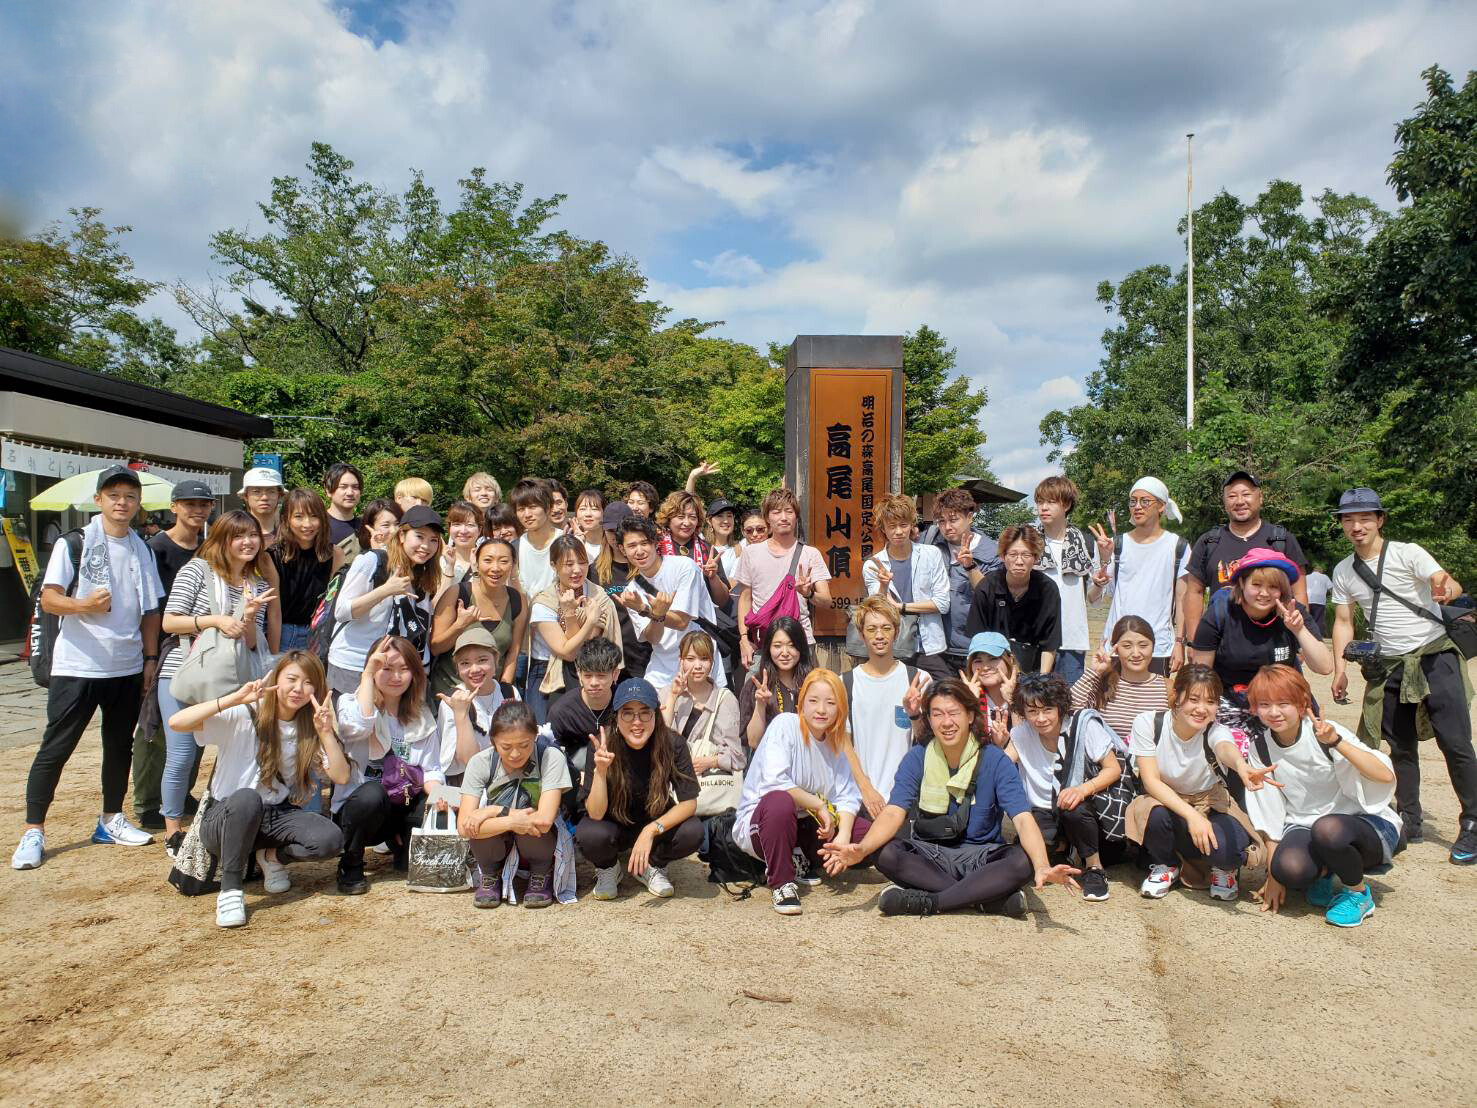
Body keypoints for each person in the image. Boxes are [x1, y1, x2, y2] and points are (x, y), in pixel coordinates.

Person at [820, 678, 1080, 917]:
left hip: (982, 856)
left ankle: (932, 902)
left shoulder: (995, 759)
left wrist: (1042, 866)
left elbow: (1023, 819)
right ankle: (988, 899)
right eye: (937, 714)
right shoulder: (918, 757)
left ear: (969, 716)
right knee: (885, 853)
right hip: (930, 854)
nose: (946, 722)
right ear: (929, 720)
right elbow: (893, 812)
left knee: (1021, 861)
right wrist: (862, 849)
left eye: (954, 713)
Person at [13, 466, 165, 870]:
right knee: (56, 747)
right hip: (77, 665)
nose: (122, 502)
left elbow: (151, 611)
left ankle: (111, 818)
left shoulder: (141, 548)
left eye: (130, 497)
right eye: (114, 495)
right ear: (98, 500)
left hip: (126, 664)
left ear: (138, 504)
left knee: (119, 746)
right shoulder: (75, 543)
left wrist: (150, 659)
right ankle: (34, 829)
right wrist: (83, 606)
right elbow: (49, 599)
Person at [1328, 487, 1477, 861]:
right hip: (1390, 666)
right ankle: (1410, 818)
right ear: (1343, 524)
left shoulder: (1408, 553)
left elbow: (1445, 581)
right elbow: (1343, 622)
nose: (1357, 526)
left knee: (1456, 743)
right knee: (1400, 746)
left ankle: (1473, 822)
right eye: (1349, 519)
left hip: (1434, 657)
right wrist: (1339, 669)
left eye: (1365, 518)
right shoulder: (1344, 570)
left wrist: (1447, 588)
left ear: (1380, 520)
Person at [165, 653, 349, 928]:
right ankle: (230, 889)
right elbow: (177, 722)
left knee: (330, 839)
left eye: (308, 683)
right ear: (277, 679)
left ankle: (272, 856)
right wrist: (233, 699)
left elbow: (341, 776)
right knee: (247, 799)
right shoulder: (246, 711)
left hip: (274, 815)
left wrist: (325, 733)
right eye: (292, 679)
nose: (298, 689)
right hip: (225, 817)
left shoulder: (308, 726)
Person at [1243, 665, 1402, 927]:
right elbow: (1270, 811)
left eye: (1284, 703)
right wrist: (1273, 876)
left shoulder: (1323, 733)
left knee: (1327, 829)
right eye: (1264, 704)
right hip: (1304, 824)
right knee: (1289, 869)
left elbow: (1384, 776)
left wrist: (1336, 742)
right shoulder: (1260, 746)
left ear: (1302, 702)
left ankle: (1358, 894)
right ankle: (1325, 872)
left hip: (1358, 824)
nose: (1274, 712)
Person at [157, 510, 278, 847]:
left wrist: (250, 616)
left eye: (253, 535)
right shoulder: (197, 570)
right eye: (238, 535)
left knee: (233, 751)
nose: (248, 542)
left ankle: (216, 818)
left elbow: (251, 643)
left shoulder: (257, 584)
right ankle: (172, 831)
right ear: (221, 540)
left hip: (231, 678)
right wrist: (215, 620)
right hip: (185, 673)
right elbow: (170, 622)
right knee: (182, 755)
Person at [1126, 665, 1274, 901]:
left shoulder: (1216, 731)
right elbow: (1151, 782)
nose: (1201, 709)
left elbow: (1225, 749)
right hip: (1166, 802)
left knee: (1229, 851)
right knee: (1154, 816)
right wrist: (1193, 817)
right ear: (1176, 697)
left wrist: (1241, 765)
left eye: (1211, 701)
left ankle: (1222, 870)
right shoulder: (1148, 724)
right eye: (1193, 699)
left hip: (1209, 803)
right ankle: (1167, 865)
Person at [733, 669, 872, 914]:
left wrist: (843, 837)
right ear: (801, 703)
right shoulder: (785, 725)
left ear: (840, 708)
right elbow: (776, 782)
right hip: (762, 824)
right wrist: (819, 805)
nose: (821, 710)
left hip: (807, 825)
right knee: (780, 801)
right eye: (813, 701)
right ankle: (782, 882)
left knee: (870, 837)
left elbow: (848, 796)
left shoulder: (835, 741)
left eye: (830, 703)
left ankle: (803, 858)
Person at [1189, 547, 1333, 756]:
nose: (1264, 593)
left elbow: (1324, 667)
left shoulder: (1293, 612)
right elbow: (1201, 675)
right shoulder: (1220, 614)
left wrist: (1299, 630)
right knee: (1241, 767)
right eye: (1256, 584)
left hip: (1282, 702)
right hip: (1233, 704)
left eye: (1273, 586)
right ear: (1242, 583)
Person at [132, 479, 215, 831]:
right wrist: (149, 657)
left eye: (204, 504)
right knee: (154, 729)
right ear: (174, 506)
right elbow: (147, 606)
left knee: (194, 726)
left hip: (199, 650)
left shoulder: (209, 548)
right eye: (189, 504)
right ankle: (149, 802)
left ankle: (180, 794)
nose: (197, 510)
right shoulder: (156, 548)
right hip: (162, 646)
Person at [331, 636, 444, 893]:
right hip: (359, 810)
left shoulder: (421, 715)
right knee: (373, 792)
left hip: (399, 804)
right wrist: (368, 673)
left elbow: (431, 769)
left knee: (432, 801)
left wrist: (438, 795)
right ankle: (351, 863)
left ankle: (401, 845)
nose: (396, 677)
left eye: (404, 669)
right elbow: (361, 725)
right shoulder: (350, 703)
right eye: (386, 668)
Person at [1003, 673, 1129, 901]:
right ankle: (1062, 848)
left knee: (1073, 808)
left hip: (1086, 806)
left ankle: (1095, 868)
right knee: (1028, 851)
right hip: (1043, 810)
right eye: (1032, 712)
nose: (1040, 718)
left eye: (1047, 710)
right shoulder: (1021, 734)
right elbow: (1001, 765)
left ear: (1060, 707)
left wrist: (1081, 789)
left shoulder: (1083, 726)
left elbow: (1113, 769)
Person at [577, 678, 703, 899]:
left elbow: (689, 802)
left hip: (655, 819)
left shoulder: (673, 743)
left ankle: (653, 865)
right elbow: (595, 813)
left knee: (693, 831)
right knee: (590, 833)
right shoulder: (602, 745)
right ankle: (608, 868)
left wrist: (650, 830)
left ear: (656, 713)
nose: (637, 722)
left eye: (645, 712)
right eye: (628, 713)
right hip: (613, 822)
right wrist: (601, 771)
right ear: (616, 717)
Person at [457, 701, 570, 909]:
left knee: (526, 827)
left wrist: (495, 811)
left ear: (536, 735)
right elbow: (464, 826)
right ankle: (490, 873)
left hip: (538, 837)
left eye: (525, 745)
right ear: (493, 741)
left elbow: (544, 820)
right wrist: (512, 821)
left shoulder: (550, 756)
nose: (515, 754)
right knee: (475, 826)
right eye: (506, 747)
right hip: (500, 836)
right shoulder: (480, 762)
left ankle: (541, 871)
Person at [326, 505, 442, 695]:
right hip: (353, 664)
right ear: (402, 536)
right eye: (419, 537)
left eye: (433, 540)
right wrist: (385, 591)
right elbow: (342, 611)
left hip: (391, 669)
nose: (426, 546)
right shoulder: (373, 560)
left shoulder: (421, 575)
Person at [1182, 471, 1310, 642]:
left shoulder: (1282, 539)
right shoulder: (1209, 542)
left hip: (1275, 641)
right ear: (1225, 502)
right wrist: (1194, 641)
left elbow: (1299, 592)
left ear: (1260, 497)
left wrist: (1302, 638)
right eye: (1232, 496)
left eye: (1246, 494)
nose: (1240, 501)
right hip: (1221, 644)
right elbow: (1194, 593)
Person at [1092, 476, 1190, 675]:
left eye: (1145, 501)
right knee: (1112, 705)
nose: (1137, 507)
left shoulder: (1178, 546)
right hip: (1117, 645)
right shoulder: (1114, 545)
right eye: (1133, 501)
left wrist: (1180, 643)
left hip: (1158, 646)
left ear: (1161, 506)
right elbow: (1093, 599)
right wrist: (1102, 565)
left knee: (1154, 705)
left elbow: (1182, 600)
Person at [616, 514, 723, 693]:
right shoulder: (632, 591)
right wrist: (652, 613)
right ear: (622, 549)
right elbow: (654, 638)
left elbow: (682, 622)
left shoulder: (684, 567)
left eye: (644, 543)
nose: (639, 551)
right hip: (661, 672)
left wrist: (646, 610)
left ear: (655, 543)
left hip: (699, 664)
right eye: (632, 546)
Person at [843, 596, 928, 821]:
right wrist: (866, 790)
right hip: (861, 802)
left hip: (907, 801)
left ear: (897, 632)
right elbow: (843, 742)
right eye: (871, 629)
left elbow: (927, 741)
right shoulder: (846, 683)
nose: (879, 636)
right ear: (862, 635)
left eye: (885, 628)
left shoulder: (918, 680)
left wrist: (915, 714)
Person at [736, 487, 832, 668]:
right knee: (758, 693)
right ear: (767, 518)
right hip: (762, 642)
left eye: (789, 511)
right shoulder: (751, 553)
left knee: (802, 695)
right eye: (776, 512)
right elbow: (745, 598)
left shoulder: (810, 554)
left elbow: (826, 601)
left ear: (796, 517)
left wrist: (808, 593)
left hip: (800, 641)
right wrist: (743, 638)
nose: (783, 517)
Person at [529, 534, 620, 723]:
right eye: (568, 564)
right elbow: (567, 652)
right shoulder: (544, 602)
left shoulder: (598, 595)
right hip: (549, 672)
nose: (577, 570)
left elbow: (584, 648)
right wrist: (586, 619)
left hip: (593, 671)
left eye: (582, 562)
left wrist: (571, 615)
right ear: (554, 565)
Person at [860, 493, 951, 680]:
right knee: (899, 704)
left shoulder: (931, 555)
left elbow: (942, 603)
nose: (899, 532)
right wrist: (883, 586)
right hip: (893, 646)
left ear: (911, 525)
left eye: (903, 525)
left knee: (945, 692)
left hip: (929, 645)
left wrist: (901, 607)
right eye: (892, 526)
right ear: (883, 529)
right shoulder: (873, 565)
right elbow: (877, 610)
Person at [429, 536, 526, 695]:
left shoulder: (518, 600)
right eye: (488, 560)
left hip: (491, 693)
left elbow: (513, 653)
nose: (495, 568)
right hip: (451, 691)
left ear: (513, 565)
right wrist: (460, 625)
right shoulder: (457, 594)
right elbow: (435, 647)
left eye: (503, 561)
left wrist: (503, 692)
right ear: (477, 563)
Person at [1033, 476, 1103, 688]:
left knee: (1071, 706)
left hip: (1072, 640)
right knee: (1035, 704)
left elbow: (1092, 599)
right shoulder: (1029, 542)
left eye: (1051, 502)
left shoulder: (1086, 544)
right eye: (1040, 502)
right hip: (1037, 640)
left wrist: (1098, 584)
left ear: (1067, 504)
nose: (1043, 508)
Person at [920, 485, 998, 673]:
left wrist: (970, 566)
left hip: (975, 650)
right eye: (941, 521)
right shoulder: (929, 544)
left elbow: (991, 596)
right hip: (936, 649)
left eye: (953, 520)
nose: (947, 527)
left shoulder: (992, 553)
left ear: (970, 517)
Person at [965, 525, 1061, 673]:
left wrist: (1041, 681)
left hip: (1033, 667)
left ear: (1035, 558)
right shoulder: (986, 587)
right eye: (1013, 554)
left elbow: (1049, 644)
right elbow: (977, 640)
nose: (1019, 561)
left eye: (1026, 555)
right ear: (1003, 557)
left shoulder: (1047, 589)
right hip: (993, 667)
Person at [547, 637, 624, 820]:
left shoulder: (625, 705)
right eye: (588, 675)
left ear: (615, 674)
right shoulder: (561, 711)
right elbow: (550, 755)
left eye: (601, 675)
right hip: (577, 781)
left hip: (620, 776)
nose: (594, 682)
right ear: (578, 673)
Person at [434, 626, 517, 786]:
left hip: (507, 776)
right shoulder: (453, 700)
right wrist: (461, 714)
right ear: (457, 668)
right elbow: (468, 760)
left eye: (482, 660)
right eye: (465, 663)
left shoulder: (509, 692)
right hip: (467, 783)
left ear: (496, 660)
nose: (474, 669)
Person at [1071, 615, 1168, 745]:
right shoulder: (1102, 683)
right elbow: (1070, 709)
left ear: (1153, 647)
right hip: (1108, 762)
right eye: (1127, 646)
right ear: (1115, 648)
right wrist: (1095, 671)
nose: (1136, 653)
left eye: (1143, 645)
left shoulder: (1168, 688)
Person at [663, 630, 743, 782]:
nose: (698, 666)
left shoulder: (725, 699)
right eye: (690, 659)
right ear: (681, 661)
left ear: (712, 662)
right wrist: (673, 696)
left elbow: (737, 756)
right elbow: (659, 740)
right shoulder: (666, 694)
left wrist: (711, 761)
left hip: (709, 784)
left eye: (704, 659)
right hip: (670, 779)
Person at [272, 489, 344, 653]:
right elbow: (274, 611)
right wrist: (273, 655)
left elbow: (331, 602)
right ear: (286, 519)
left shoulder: (334, 554)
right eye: (298, 517)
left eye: (314, 516)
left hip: (319, 634)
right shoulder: (273, 556)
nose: (307, 524)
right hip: (284, 633)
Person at [739, 616, 813, 750]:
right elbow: (753, 742)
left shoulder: (813, 684)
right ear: (768, 649)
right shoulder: (755, 686)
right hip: (770, 765)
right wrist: (760, 706)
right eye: (777, 646)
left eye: (792, 645)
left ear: (801, 648)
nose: (785, 653)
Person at [601, 501, 651, 679]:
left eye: (619, 530)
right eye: (610, 531)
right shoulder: (595, 571)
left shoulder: (647, 568)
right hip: (611, 661)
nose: (615, 536)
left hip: (646, 657)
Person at [959, 631, 1017, 736]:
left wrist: (1013, 701)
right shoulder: (962, 694)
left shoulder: (1027, 692)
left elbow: (1028, 740)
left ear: (1010, 659)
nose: (985, 667)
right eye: (978, 661)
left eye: (993, 659)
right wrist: (969, 702)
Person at [438, 499, 484, 592]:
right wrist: (450, 567)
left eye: (470, 525)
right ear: (449, 528)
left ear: (479, 530)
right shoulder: (438, 562)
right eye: (457, 524)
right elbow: (435, 603)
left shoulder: (488, 561)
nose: (463, 531)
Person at [239, 466, 285, 551]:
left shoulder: (289, 535)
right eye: (256, 491)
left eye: (271, 491)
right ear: (246, 495)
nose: (264, 497)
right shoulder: (234, 533)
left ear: (279, 495)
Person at [324, 463, 364, 550]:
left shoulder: (365, 526)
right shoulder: (319, 525)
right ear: (328, 491)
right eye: (343, 487)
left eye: (355, 487)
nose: (350, 493)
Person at [704, 497, 742, 581]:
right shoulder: (700, 545)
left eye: (729, 516)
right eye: (720, 516)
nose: (726, 521)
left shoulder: (740, 547)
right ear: (709, 521)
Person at [572, 488, 609, 571]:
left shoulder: (612, 544)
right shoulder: (569, 543)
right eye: (582, 509)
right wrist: (578, 543)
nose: (588, 514)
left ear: (604, 513)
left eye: (594, 509)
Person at [1305, 565, 1333, 638]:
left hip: (1307, 600)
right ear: (1321, 571)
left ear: (1313, 571)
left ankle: (1308, 636)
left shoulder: (1306, 577)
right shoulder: (1324, 577)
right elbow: (1331, 588)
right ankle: (1318, 636)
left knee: (1307, 618)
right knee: (1319, 619)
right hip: (1319, 601)